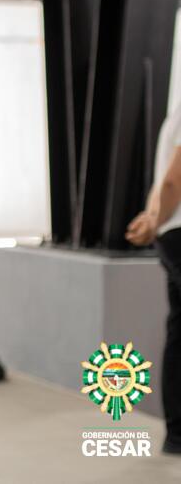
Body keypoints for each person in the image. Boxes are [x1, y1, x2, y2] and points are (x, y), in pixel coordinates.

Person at [126, 103, 181, 455]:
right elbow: (174, 180)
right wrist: (153, 218)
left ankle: (177, 435)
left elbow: (163, 180)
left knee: (179, 333)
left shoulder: (174, 113)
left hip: (171, 233)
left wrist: (151, 218)